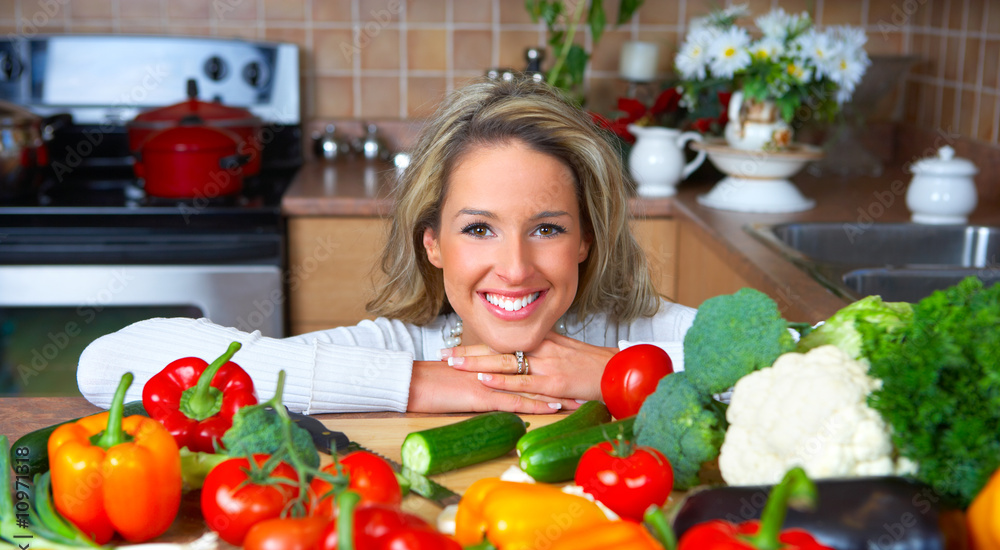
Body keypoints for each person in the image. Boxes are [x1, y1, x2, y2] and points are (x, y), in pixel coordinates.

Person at [77, 77, 696, 414]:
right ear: (432, 244)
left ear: (586, 240)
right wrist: (426, 385)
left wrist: (622, 375)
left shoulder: (634, 335)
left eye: (547, 228)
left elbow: (794, 369)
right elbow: (106, 366)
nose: (513, 268)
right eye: (478, 228)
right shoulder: (408, 344)